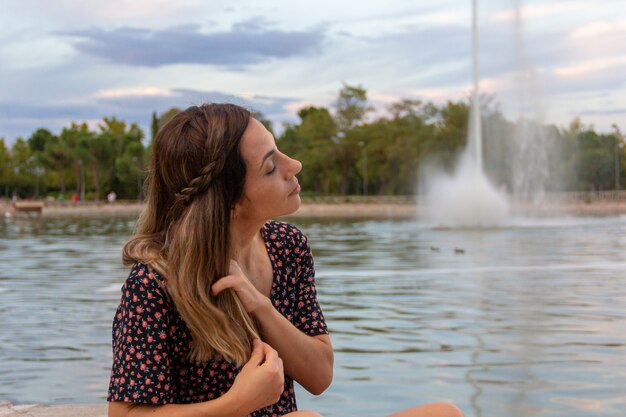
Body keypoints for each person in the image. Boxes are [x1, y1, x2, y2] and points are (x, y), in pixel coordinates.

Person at [107, 103, 464, 417]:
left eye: (279, 152)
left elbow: (320, 376)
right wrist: (236, 404)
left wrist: (261, 306)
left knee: (445, 414)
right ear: (230, 203)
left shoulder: (287, 246)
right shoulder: (153, 286)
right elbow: (125, 415)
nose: (294, 165)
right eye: (270, 167)